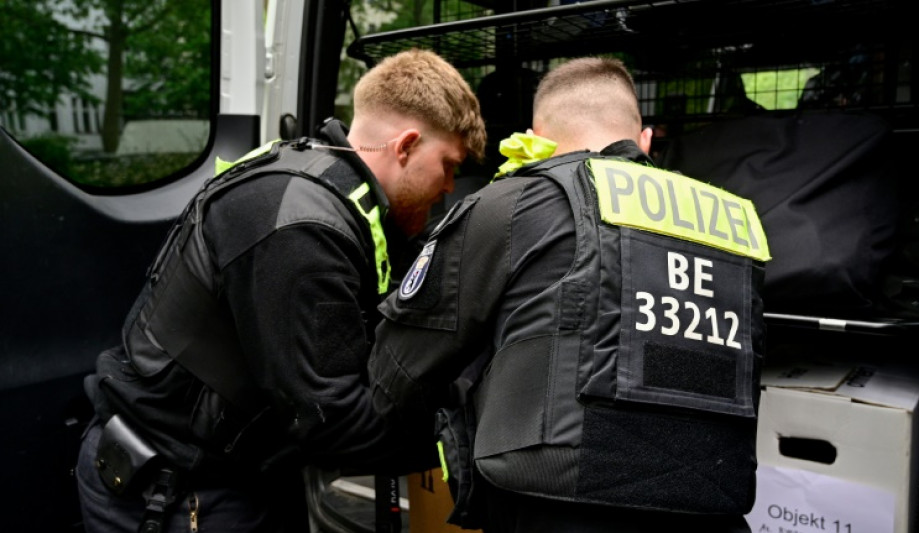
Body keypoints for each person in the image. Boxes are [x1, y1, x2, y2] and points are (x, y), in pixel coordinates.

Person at [76, 48, 486, 533]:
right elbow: (332, 422)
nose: (449, 186)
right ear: (406, 146)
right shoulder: (302, 229)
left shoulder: (331, 186)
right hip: (176, 497)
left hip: (236, 476)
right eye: (449, 165)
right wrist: (468, 432)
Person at [368, 57, 771, 533]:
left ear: (535, 141)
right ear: (645, 143)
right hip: (713, 506)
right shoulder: (733, 224)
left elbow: (395, 372)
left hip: (553, 506)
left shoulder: (510, 206)